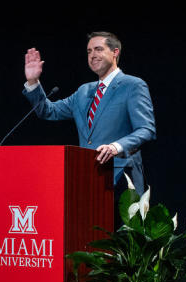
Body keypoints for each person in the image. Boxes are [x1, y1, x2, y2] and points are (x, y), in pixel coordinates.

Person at [23, 32, 156, 195]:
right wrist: (33, 81)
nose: (92, 55)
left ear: (115, 52)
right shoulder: (83, 91)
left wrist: (116, 147)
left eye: (98, 49)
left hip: (123, 180)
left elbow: (146, 129)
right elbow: (48, 111)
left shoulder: (133, 85)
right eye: (89, 51)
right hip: (87, 180)